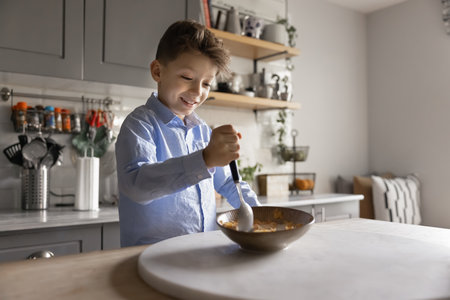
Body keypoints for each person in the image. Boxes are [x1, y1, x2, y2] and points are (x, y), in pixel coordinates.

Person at [115, 20, 259, 247]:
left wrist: (258, 213)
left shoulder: (202, 130)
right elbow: (137, 186)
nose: (197, 92)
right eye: (187, 78)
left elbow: (229, 183)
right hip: (148, 256)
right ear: (157, 71)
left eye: (206, 84)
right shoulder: (139, 124)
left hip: (201, 251)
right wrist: (204, 160)